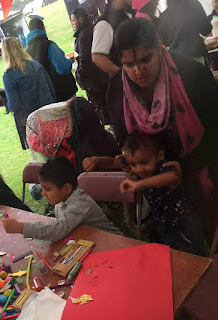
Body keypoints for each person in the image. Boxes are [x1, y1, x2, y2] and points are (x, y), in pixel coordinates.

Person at [83, 18, 218, 249]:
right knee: (170, 251)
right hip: (154, 190)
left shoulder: (192, 75)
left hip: (201, 178)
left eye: (146, 59)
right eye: (128, 64)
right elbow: (125, 142)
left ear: (158, 46)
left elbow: (215, 135)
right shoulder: (117, 88)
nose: (138, 71)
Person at [119, 133, 205, 254]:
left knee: (194, 256)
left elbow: (173, 177)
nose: (138, 169)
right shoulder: (141, 170)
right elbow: (124, 165)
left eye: (144, 162)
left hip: (183, 224)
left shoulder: (164, 167)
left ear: (159, 155)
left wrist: (138, 184)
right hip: (162, 223)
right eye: (133, 164)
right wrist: (119, 159)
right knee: (170, 255)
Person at [3, 157, 122, 241]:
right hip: (90, 241)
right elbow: (61, 226)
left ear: (66, 188)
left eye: (47, 189)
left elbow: (57, 230)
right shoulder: (62, 200)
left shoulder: (79, 203)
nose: (43, 193)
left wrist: (21, 227)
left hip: (114, 243)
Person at [2, 37, 56, 150]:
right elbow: (51, 89)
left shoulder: (9, 75)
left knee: (40, 154)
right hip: (48, 113)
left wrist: (5, 103)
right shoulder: (36, 66)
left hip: (30, 120)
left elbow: (14, 105)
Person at [26, 18, 78, 102]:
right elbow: (63, 68)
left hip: (46, 97)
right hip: (64, 92)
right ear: (43, 28)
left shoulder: (26, 52)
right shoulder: (49, 45)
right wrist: (69, 61)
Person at [71, 8, 109, 119]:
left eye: (73, 20)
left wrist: (80, 77)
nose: (72, 23)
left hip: (94, 81)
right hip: (98, 78)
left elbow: (85, 59)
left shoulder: (84, 35)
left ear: (80, 19)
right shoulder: (88, 30)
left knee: (102, 109)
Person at [158, 0, 212, 65]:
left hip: (176, 59)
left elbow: (165, 41)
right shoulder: (193, 5)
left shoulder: (164, 16)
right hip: (196, 52)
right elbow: (205, 30)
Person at [91, 0, 133, 76]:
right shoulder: (104, 24)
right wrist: (124, 76)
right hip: (124, 84)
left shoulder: (126, 15)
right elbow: (97, 58)